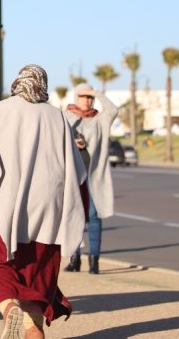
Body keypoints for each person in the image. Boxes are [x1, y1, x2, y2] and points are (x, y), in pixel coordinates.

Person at [0, 65, 88, 339]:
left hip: (6, 199)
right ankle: (33, 329)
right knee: (39, 267)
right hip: (50, 203)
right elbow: (76, 169)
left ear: (17, 83)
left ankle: (9, 307)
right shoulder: (57, 116)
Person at [63, 82, 118, 274]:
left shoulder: (99, 120)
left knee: (94, 216)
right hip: (73, 176)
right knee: (73, 216)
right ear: (75, 97)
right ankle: (74, 258)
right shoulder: (66, 117)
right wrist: (72, 142)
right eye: (83, 96)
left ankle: (94, 261)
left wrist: (96, 92)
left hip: (93, 176)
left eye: (90, 97)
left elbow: (112, 109)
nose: (87, 100)